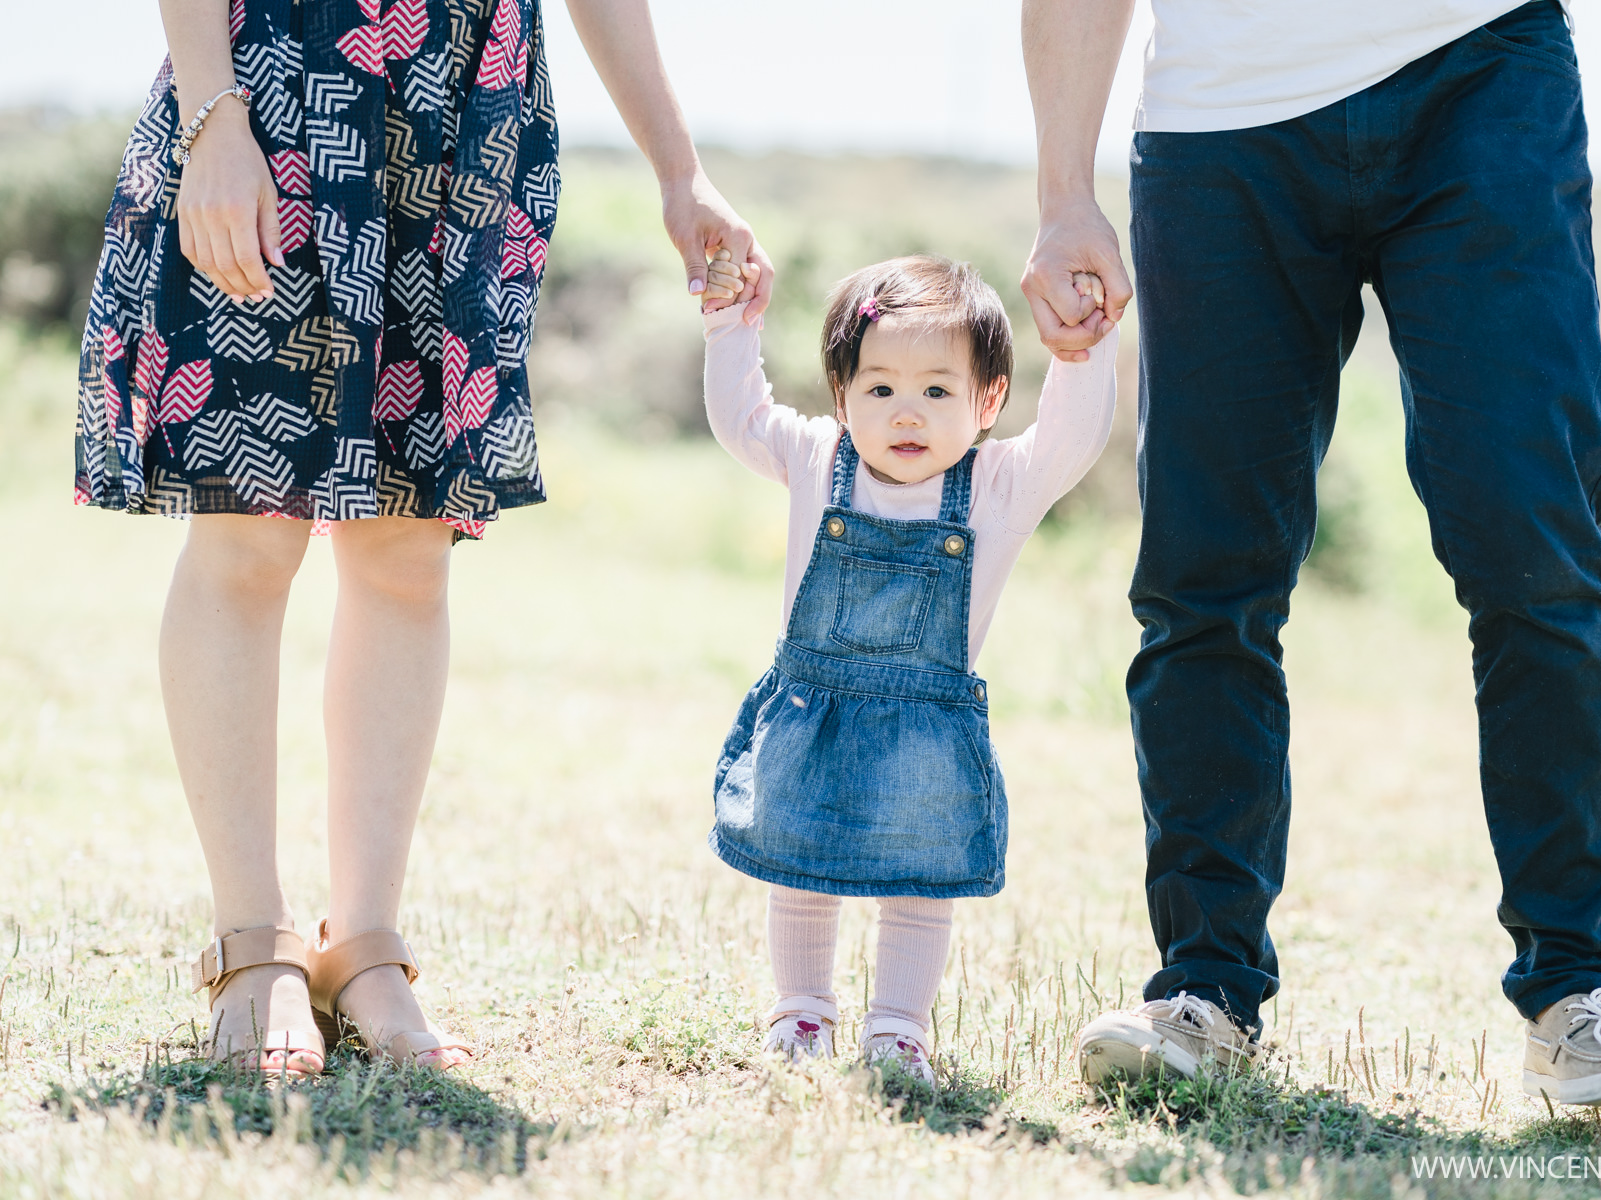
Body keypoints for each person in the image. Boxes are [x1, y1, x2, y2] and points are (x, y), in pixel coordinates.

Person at [1020, 0, 1601, 1106]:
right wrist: (1063, 194)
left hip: (1480, 73)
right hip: (1221, 124)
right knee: (1205, 575)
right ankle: (1203, 987)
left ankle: (1582, 989)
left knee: (1538, 546)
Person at [73, 0, 770, 1076]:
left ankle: (363, 943)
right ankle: (251, 946)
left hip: (465, 120)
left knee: (407, 552)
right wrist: (213, 111)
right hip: (275, 87)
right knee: (250, 536)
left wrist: (680, 171)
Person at [698, 252, 1116, 1087]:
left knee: (923, 882)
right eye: (879, 387)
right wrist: (728, 326)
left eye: (937, 388)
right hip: (813, 706)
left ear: (988, 400)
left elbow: (1074, 438)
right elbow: (740, 418)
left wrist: (1081, 350)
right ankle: (801, 1012)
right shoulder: (820, 461)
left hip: (926, 726)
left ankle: (899, 1030)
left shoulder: (998, 486)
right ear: (843, 395)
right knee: (800, 862)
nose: (906, 412)